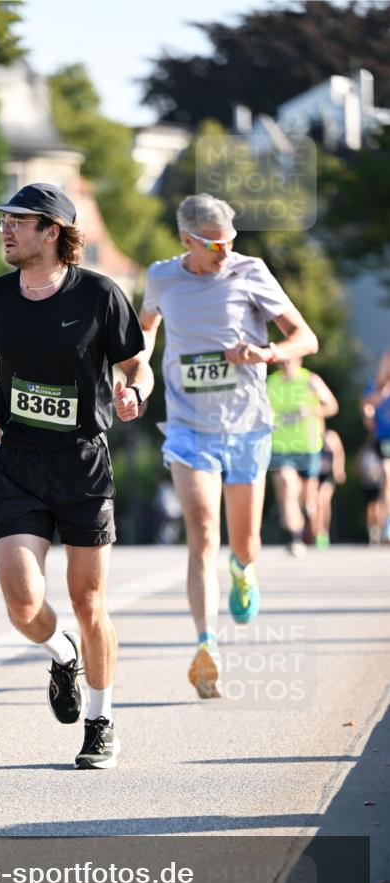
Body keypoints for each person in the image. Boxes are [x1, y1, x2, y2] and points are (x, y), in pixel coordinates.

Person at [0, 182, 153, 769]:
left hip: (82, 464)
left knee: (89, 601)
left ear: (53, 232)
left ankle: (101, 723)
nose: (5, 230)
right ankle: (60, 653)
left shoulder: (99, 294)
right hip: (18, 462)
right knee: (24, 605)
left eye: (17, 222)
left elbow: (134, 363)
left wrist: (135, 393)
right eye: (4, 221)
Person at [139, 193, 318, 699]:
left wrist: (267, 352)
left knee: (244, 544)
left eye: (231, 241)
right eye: (215, 244)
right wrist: (134, 372)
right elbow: (146, 332)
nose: (224, 252)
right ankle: (206, 644)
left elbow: (306, 338)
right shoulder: (161, 277)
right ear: (186, 240)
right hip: (188, 428)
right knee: (202, 532)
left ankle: (244, 570)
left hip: (246, 429)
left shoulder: (250, 272)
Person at [267, 358, 339, 556]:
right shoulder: (271, 382)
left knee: (308, 499)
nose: (286, 364)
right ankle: (295, 538)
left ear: (298, 359)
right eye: (282, 361)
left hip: (309, 447)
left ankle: (311, 525)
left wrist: (311, 411)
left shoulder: (311, 380)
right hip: (280, 447)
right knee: (287, 485)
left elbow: (332, 406)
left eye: (290, 360)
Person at [362, 351, 390, 543]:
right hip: (384, 439)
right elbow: (366, 406)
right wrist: (369, 414)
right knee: (387, 476)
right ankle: (387, 525)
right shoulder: (376, 387)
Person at [313, 427, 346, 548]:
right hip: (314, 475)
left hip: (328, 475)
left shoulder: (331, 436)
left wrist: (339, 470)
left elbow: (339, 453)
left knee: (323, 501)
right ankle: (314, 530)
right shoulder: (310, 434)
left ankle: (323, 532)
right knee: (314, 503)